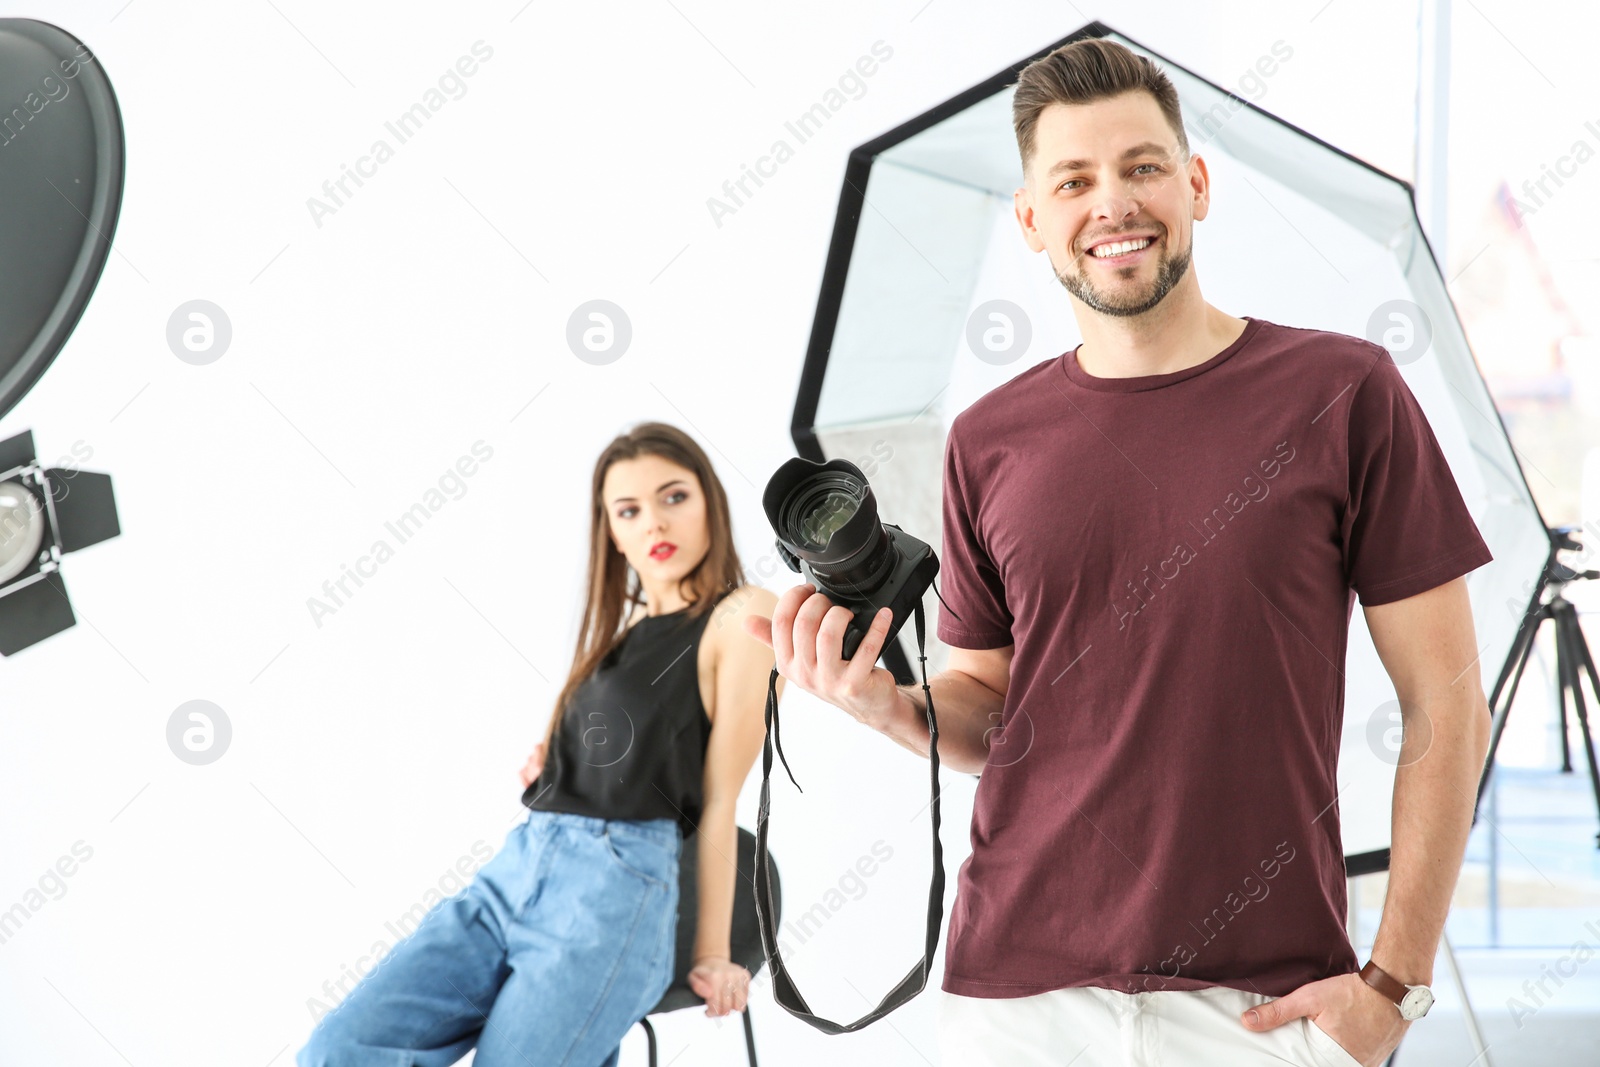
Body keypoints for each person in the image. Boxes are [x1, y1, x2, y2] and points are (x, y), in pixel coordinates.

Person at [746, 38, 1494, 1067]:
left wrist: (1394, 986)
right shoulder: (987, 438)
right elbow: (987, 709)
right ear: (1031, 219)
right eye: (1074, 180)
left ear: (1193, 185)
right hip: (1015, 999)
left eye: (1142, 167)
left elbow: (1447, 701)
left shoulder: (1344, 392)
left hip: (1261, 1001)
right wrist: (890, 708)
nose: (1113, 203)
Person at [299, 421, 783, 1067]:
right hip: (519, 867)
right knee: (340, 1049)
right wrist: (562, 764)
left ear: (710, 502)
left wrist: (714, 954)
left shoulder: (740, 615)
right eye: (629, 510)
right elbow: (625, 750)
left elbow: (721, 800)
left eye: (674, 497)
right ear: (609, 529)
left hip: (614, 892)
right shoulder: (622, 629)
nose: (654, 526)